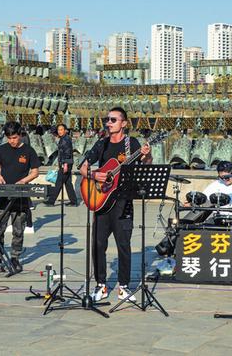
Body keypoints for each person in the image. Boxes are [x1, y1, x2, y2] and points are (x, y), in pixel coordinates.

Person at [80, 107, 151, 302]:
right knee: (98, 244)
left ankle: (124, 287)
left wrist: (147, 155)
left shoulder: (132, 144)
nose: (108, 123)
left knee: (123, 245)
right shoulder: (101, 143)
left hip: (123, 202)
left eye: (113, 120)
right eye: (107, 119)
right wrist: (94, 175)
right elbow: (83, 166)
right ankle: (101, 285)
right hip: (102, 201)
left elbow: (146, 164)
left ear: (124, 123)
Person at [0, 121, 41, 273]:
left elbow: (35, 171)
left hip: (20, 195)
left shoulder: (28, 151)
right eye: (9, 138)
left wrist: (24, 181)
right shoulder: (1, 149)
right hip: (2, 195)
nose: (12, 141)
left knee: (18, 229)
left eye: (15, 137)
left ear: (20, 135)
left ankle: (15, 257)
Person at [43, 124, 78, 207]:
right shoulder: (63, 138)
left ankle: (51, 201)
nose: (60, 131)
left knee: (58, 183)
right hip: (66, 163)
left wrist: (65, 164)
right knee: (68, 183)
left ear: (65, 130)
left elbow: (67, 152)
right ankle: (73, 201)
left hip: (66, 164)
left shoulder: (66, 139)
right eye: (59, 130)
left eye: (61, 129)